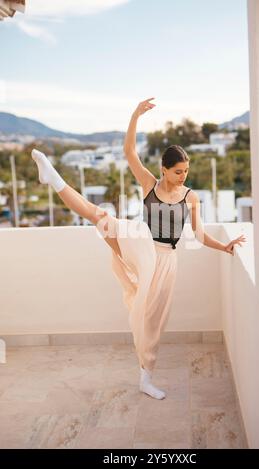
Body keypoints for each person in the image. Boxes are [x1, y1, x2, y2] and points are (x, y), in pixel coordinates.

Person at [30, 97, 246, 400]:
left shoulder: (191, 198)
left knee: (151, 321)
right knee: (99, 215)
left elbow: (198, 234)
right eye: (178, 171)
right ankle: (53, 178)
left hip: (165, 261)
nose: (183, 176)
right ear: (164, 169)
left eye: (186, 171)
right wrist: (135, 115)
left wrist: (225, 247)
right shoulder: (150, 184)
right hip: (141, 242)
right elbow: (130, 152)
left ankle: (146, 376)